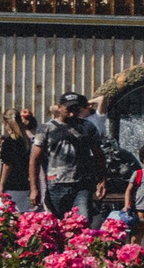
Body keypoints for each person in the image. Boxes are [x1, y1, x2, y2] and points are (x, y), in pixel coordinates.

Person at [32, 92, 105, 220]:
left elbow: (99, 155)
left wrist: (103, 180)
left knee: (82, 220)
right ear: (59, 107)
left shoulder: (87, 127)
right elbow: (35, 159)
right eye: (68, 109)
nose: (72, 113)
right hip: (56, 184)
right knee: (57, 224)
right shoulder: (46, 128)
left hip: (82, 185)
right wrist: (34, 188)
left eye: (76, 109)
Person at [0, 109, 36, 211]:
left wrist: (1, 185)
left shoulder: (9, 141)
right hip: (23, 184)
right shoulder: (25, 140)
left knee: (4, 216)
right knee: (21, 215)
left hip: (11, 184)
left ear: (5, 123)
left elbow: (7, 164)